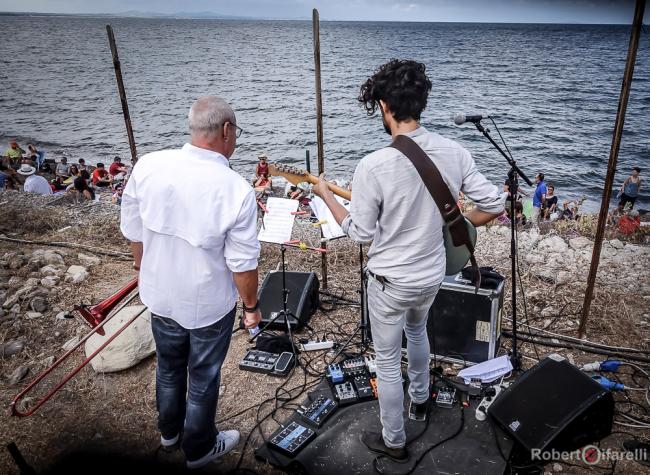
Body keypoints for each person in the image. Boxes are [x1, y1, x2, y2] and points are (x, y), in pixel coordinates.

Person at [312, 59, 503, 461]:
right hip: (432, 274)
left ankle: (394, 440)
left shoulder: (374, 165)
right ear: (421, 102)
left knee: (385, 360)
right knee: (417, 333)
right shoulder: (454, 152)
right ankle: (420, 399)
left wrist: (328, 196)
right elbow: (495, 203)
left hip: (389, 282)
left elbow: (361, 233)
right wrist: (454, 224)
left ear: (383, 105)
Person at [120, 96, 261, 469]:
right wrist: (251, 308)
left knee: (168, 367)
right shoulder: (236, 189)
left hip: (160, 293)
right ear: (227, 131)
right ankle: (198, 449)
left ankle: (169, 433)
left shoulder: (149, 164)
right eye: (237, 133)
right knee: (202, 376)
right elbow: (243, 266)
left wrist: (143, 266)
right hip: (207, 303)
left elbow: (133, 228)